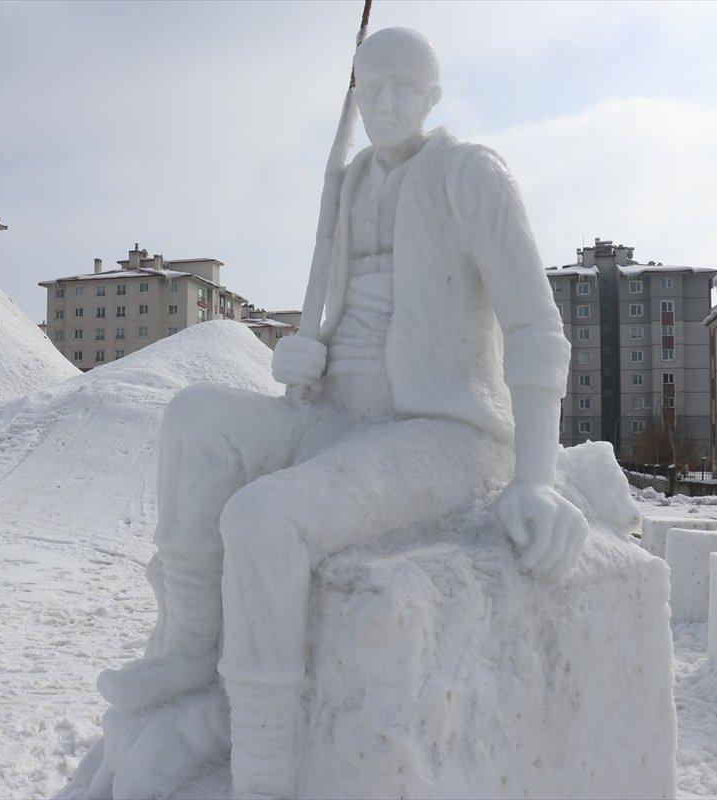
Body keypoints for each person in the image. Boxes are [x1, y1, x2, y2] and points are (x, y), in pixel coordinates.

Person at [98, 27, 589, 799]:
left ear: (432, 95)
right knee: (194, 417)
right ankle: (192, 646)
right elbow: (330, 320)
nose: (386, 102)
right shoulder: (351, 181)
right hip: (341, 415)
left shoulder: (470, 175)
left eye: (404, 86)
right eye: (372, 87)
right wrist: (304, 354)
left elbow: (537, 330)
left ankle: (262, 767)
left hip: (440, 432)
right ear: (354, 95)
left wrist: (537, 477)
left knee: (264, 518)